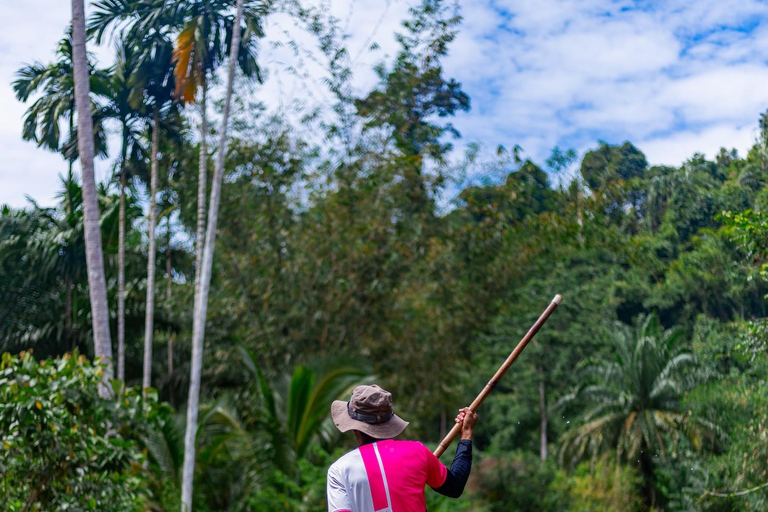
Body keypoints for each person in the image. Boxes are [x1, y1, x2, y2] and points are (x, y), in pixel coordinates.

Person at [327, 384, 478, 512]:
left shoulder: (339, 470)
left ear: (354, 427)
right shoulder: (417, 452)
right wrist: (466, 433)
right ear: (389, 421)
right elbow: (455, 487)